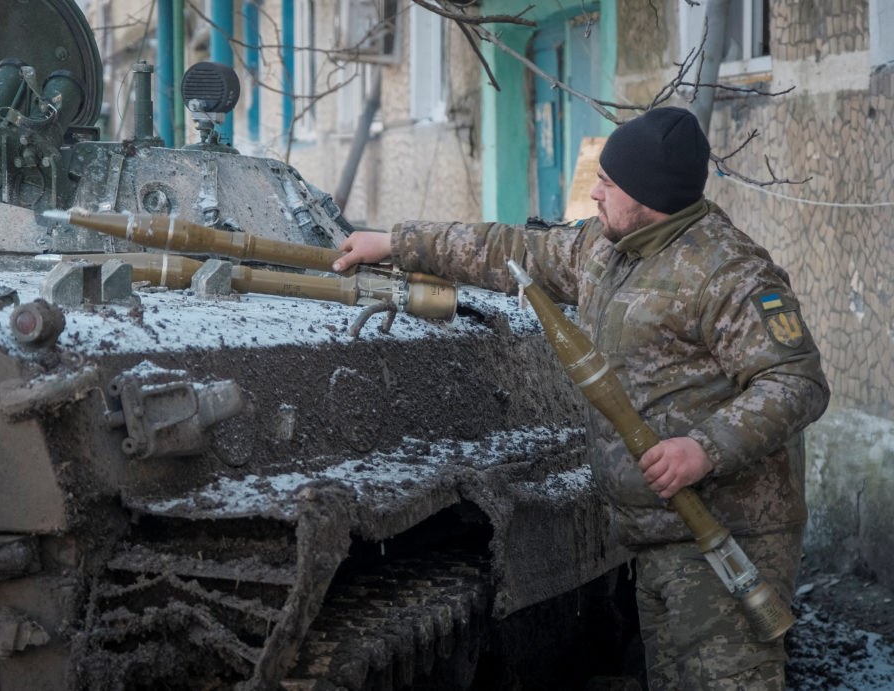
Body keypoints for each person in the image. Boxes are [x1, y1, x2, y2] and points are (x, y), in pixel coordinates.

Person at [332, 106, 830, 690]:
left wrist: (703, 449)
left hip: (726, 536)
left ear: (649, 195)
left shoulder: (729, 274)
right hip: (657, 537)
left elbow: (796, 382)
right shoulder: (606, 249)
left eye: (608, 183)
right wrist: (396, 243)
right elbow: (508, 250)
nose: (594, 192)